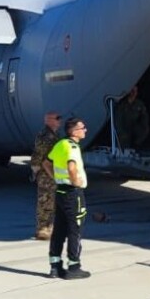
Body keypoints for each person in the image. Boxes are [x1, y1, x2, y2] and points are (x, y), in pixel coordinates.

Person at [46, 117, 91, 280]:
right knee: (75, 230)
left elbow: (46, 162)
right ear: (74, 131)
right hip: (73, 194)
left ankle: (55, 266)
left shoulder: (60, 144)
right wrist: (75, 180)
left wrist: (55, 178)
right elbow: (72, 166)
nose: (85, 130)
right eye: (82, 127)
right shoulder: (72, 147)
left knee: (59, 229)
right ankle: (74, 266)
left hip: (60, 192)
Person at [30, 112, 61, 240]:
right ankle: (42, 229)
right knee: (45, 201)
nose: (60, 121)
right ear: (49, 120)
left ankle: (48, 226)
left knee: (51, 201)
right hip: (45, 174)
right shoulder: (45, 135)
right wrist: (37, 170)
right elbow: (37, 155)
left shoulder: (54, 135)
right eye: (57, 118)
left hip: (52, 172)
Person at [114, 85, 149, 150]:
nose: (134, 93)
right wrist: (121, 132)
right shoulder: (122, 105)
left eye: (135, 91)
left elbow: (144, 116)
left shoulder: (139, 104)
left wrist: (143, 126)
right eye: (132, 91)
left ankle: (137, 145)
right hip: (124, 128)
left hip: (133, 126)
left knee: (144, 130)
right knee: (123, 140)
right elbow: (118, 120)